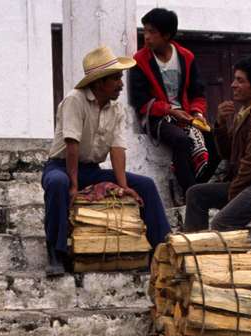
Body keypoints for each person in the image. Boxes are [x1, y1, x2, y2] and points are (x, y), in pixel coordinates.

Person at [42, 45, 171, 276]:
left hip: (92, 170)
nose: (121, 84)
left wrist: (124, 187)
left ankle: (161, 250)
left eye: (120, 78)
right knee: (57, 184)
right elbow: (72, 145)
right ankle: (56, 251)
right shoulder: (75, 100)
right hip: (62, 166)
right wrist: (73, 184)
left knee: (146, 186)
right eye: (116, 78)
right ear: (99, 82)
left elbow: (117, 149)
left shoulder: (117, 108)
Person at [184, 54, 251, 230]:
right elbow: (227, 153)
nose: (233, 85)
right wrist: (221, 123)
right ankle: (193, 249)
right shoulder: (247, 112)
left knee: (221, 222)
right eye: (235, 80)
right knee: (196, 194)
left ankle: (214, 256)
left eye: (240, 81)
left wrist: (232, 196)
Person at [129, 8, 214, 199]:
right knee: (182, 140)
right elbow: (140, 100)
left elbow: (197, 92)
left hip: (185, 114)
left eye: (152, 32)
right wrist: (169, 110)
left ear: (167, 35)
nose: (147, 37)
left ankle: (198, 186)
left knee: (214, 142)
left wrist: (197, 113)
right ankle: (190, 193)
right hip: (156, 116)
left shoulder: (186, 57)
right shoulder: (140, 60)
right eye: (145, 31)